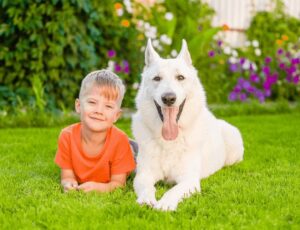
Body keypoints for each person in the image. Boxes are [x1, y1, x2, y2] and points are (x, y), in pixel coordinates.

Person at [55, 69, 136, 193]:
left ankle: (134, 147)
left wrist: (100, 188)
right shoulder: (67, 136)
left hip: (132, 152)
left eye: (108, 106)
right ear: (78, 106)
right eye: (92, 102)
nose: (99, 110)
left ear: (116, 116)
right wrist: (68, 182)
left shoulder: (120, 141)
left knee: (142, 162)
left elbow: (119, 184)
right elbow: (67, 176)